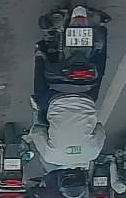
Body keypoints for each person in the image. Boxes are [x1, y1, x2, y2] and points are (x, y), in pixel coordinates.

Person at [28, 25, 108, 169]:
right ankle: (40, 54)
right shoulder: (50, 157)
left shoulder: (92, 154)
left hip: (86, 98)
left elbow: (100, 128)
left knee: (98, 75)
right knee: (39, 97)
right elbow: (37, 132)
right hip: (55, 98)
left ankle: (100, 43)